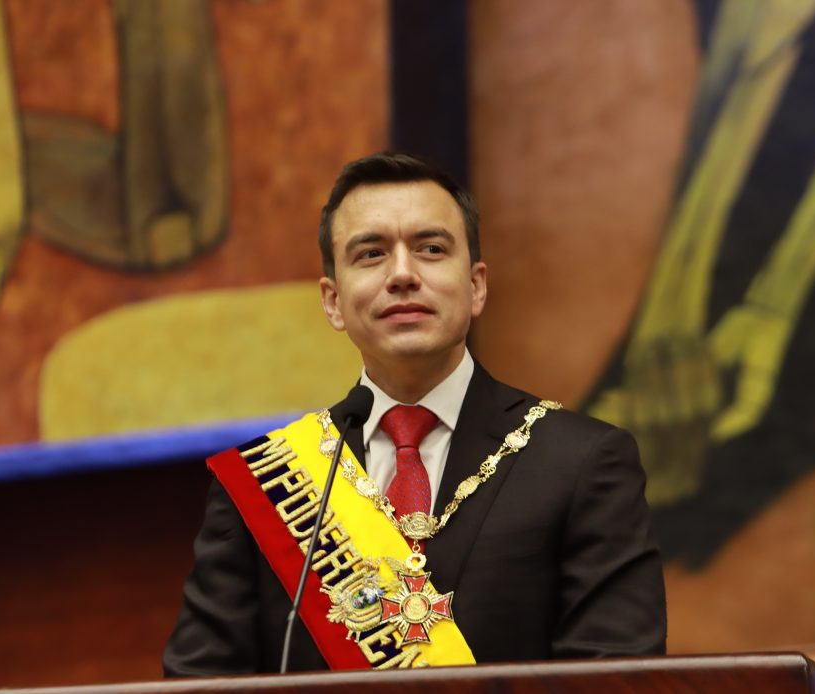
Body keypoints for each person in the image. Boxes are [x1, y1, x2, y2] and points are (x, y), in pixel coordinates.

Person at [163, 152, 666, 674]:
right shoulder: (266, 482)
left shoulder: (581, 461)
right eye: (371, 254)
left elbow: (617, 680)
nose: (402, 274)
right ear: (333, 301)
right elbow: (200, 681)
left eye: (431, 249)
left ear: (476, 286)